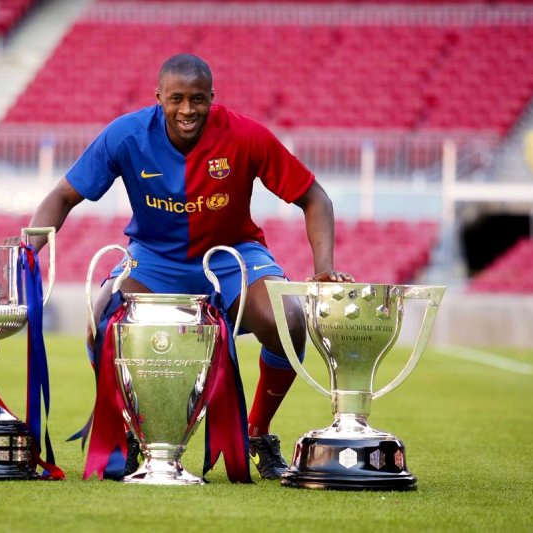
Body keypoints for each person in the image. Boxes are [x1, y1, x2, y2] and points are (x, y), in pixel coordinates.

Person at [23, 53, 353, 480]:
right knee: (101, 321)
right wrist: (27, 250)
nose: (186, 110)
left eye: (197, 99)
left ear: (212, 98)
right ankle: (135, 429)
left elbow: (315, 198)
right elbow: (63, 196)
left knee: (288, 318)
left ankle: (257, 431)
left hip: (235, 256)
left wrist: (323, 267)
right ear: (158, 96)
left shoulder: (246, 135)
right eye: (176, 98)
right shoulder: (126, 136)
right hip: (154, 260)